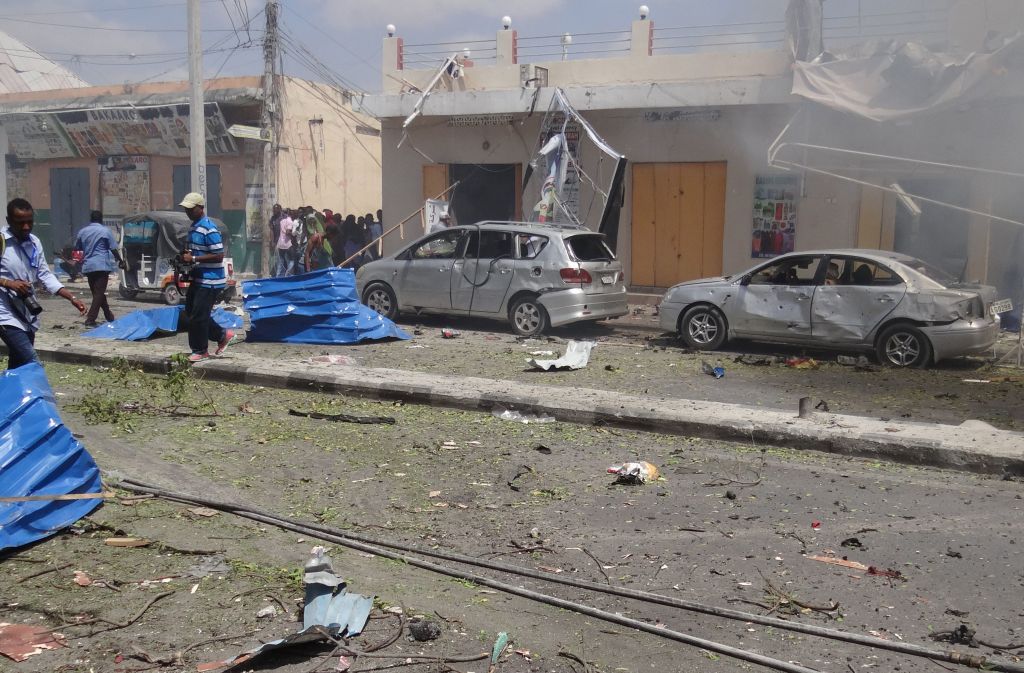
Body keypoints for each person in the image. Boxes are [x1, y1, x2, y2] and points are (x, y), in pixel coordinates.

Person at [0, 198, 86, 369]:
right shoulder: (1, 241)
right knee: (31, 361)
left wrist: (71, 297)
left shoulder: (34, 242)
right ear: (9, 221)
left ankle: (12, 395)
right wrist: (9, 283)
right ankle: (43, 395)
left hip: (27, 311)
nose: (26, 227)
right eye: (20, 223)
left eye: (29, 222)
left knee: (19, 365)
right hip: (4, 312)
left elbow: (45, 274)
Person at [179, 193, 233, 362]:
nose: (187, 211)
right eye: (186, 209)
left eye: (190, 208)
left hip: (211, 280)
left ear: (200, 208)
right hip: (198, 277)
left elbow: (218, 255)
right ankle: (222, 334)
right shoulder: (194, 227)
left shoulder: (209, 228)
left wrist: (194, 259)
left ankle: (201, 350)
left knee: (199, 316)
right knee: (191, 312)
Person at [75, 210, 126, 326]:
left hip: (88, 266)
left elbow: (77, 248)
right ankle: (90, 319)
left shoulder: (82, 232)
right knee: (99, 293)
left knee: (98, 293)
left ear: (91, 219)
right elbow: (113, 248)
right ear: (101, 219)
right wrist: (120, 261)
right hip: (101, 265)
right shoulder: (105, 231)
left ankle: (109, 316)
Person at [275, 207, 295, 277]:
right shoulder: (290, 221)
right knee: (292, 260)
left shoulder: (281, 221)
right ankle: (287, 274)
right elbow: (287, 232)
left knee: (281, 261)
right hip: (287, 244)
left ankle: (278, 276)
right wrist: (293, 234)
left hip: (280, 243)